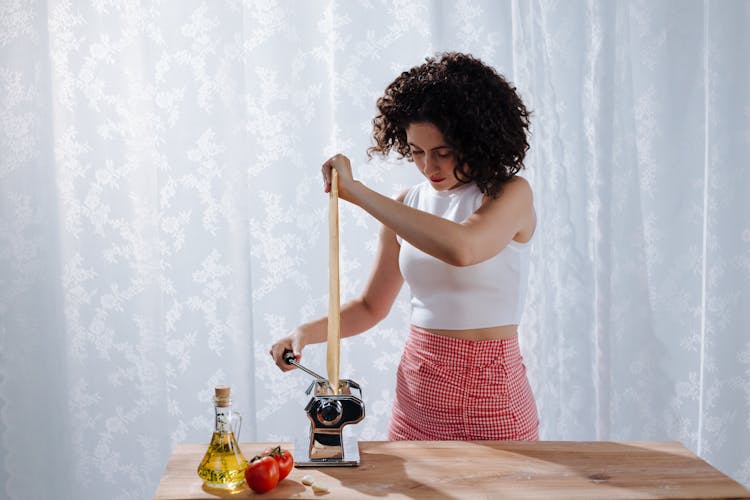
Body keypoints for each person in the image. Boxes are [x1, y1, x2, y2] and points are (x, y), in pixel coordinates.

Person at [270, 52, 538, 441]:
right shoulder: (408, 203)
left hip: (490, 394)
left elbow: (463, 247)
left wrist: (359, 193)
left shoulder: (510, 194)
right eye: (416, 152)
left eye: (443, 152)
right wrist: (304, 333)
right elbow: (369, 307)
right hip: (417, 391)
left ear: (477, 138)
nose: (430, 166)